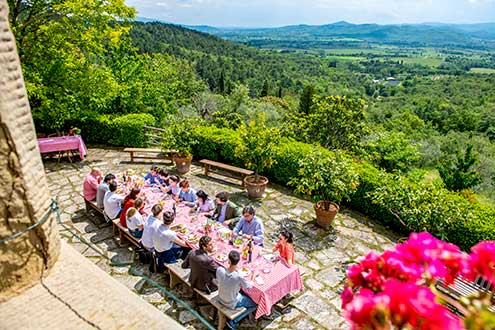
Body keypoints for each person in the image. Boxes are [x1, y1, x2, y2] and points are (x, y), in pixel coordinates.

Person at [216, 250, 257, 329]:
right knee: (255, 304)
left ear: (228, 260)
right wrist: (253, 277)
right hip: (231, 303)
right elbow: (249, 287)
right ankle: (234, 321)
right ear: (238, 262)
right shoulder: (239, 276)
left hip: (220, 297)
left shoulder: (220, 270)